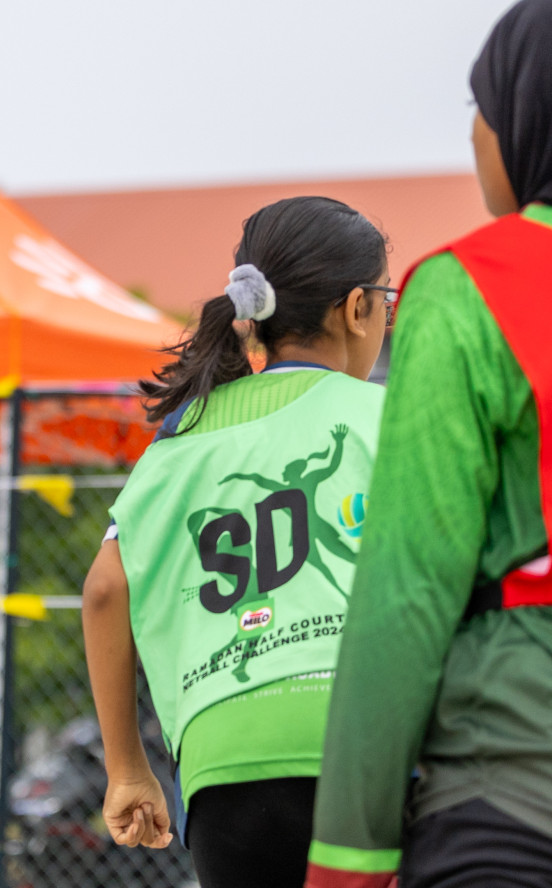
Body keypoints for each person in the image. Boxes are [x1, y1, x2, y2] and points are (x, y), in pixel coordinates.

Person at [306, 0, 552, 888]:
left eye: (479, 106)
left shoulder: (476, 286)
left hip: (517, 778)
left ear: (527, 115)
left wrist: (348, 852)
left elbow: (407, 591)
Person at [81, 197, 391, 888]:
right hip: (366, 741)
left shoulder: (180, 439)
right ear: (357, 309)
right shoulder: (386, 415)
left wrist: (128, 766)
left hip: (222, 764)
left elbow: (104, 589)